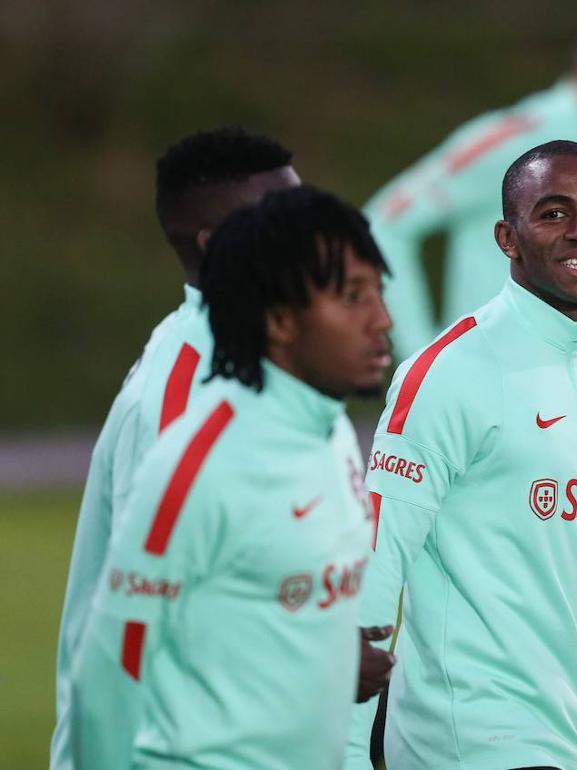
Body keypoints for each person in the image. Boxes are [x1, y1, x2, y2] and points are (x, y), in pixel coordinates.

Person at [346, 141, 577, 770]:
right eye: (553, 213)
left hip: (561, 737)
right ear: (506, 238)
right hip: (464, 737)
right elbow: (377, 570)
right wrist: (350, 756)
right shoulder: (448, 373)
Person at [50, 129, 394, 770]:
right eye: (272, 214)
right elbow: (134, 650)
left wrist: (318, 648)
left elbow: (240, 592)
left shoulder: (310, 398)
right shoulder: (183, 403)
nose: (381, 319)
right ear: (223, 245)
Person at [365, 4, 577, 360]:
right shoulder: (517, 136)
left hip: (568, 380)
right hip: (484, 380)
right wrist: (423, 357)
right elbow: (383, 224)